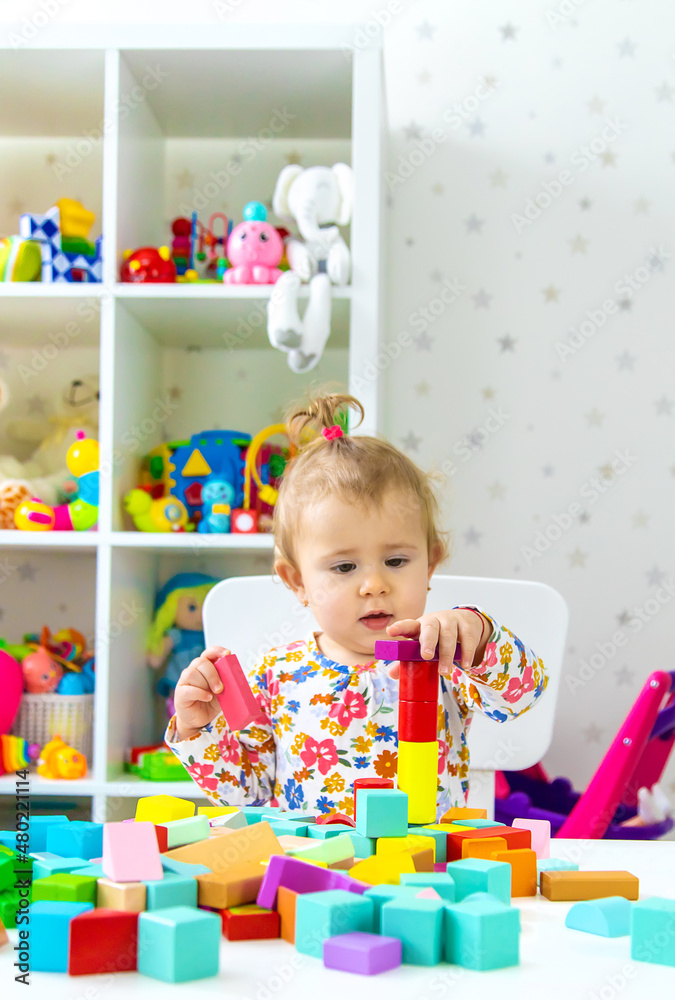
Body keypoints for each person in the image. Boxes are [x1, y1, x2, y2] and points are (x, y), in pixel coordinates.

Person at [165, 392, 547, 818]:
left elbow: (522, 696)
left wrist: (478, 638)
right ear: (297, 581)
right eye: (345, 566)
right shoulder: (275, 676)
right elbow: (247, 796)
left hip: (421, 870)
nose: (374, 585)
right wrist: (197, 728)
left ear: (431, 563)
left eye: (397, 561)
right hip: (313, 871)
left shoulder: (444, 658)